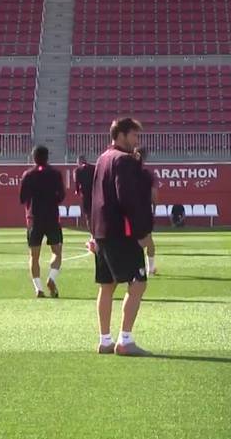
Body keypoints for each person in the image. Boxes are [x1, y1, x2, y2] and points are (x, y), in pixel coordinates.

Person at [91, 118, 153, 357]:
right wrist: (142, 232)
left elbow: (93, 197)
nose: (137, 141)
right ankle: (125, 340)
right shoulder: (123, 160)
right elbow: (127, 198)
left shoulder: (102, 158)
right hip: (121, 232)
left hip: (102, 232)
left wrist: (94, 232)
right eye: (135, 136)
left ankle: (105, 340)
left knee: (107, 286)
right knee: (138, 283)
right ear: (123, 135)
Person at [19, 145, 66, 298]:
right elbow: (61, 196)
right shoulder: (55, 174)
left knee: (34, 256)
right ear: (47, 157)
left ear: (33, 157)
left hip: (34, 218)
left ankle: (38, 288)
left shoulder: (28, 175)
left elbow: (22, 198)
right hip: (52, 217)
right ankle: (51, 278)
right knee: (57, 252)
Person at [134, 146, 159, 276]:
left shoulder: (128, 172)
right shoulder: (149, 174)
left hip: (130, 210)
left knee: (148, 240)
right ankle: (145, 268)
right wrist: (154, 207)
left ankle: (151, 268)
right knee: (146, 239)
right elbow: (154, 194)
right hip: (144, 211)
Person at [74, 155, 95, 233]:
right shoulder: (93, 168)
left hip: (85, 195)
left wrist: (77, 191)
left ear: (79, 161)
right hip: (95, 194)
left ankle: (92, 234)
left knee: (88, 215)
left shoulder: (78, 170)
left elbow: (76, 183)